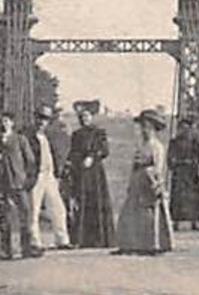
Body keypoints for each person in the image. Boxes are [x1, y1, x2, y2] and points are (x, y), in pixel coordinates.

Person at [115, 108, 173, 255]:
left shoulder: (157, 146)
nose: (144, 130)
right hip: (137, 182)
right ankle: (130, 245)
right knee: (130, 213)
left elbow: (158, 167)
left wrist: (155, 183)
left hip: (148, 182)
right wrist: (131, 181)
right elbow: (134, 166)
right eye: (142, 127)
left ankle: (152, 245)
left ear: (153, 128)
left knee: (149, 216)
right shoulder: (142, 146)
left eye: (147, 127)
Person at [65, 100, 115, 248]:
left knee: (96, 202)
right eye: (81, 116)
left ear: (91, 117)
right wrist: (71, 164)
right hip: (81, 172)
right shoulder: (76, 134)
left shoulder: (99, 132)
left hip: (95, 174)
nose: (84, 119)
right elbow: (73, 152)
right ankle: (82, 239)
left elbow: (105, 150)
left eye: (86, 116)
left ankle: (100, 239)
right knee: (82, 202)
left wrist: (92, 157)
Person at [0, 113, 35, 260]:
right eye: (2, 122)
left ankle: (26, 249)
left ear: (12, 123)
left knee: (25, 215)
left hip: (19, 183)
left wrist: (27, 180)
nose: (4, 124)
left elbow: (30, 161)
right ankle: (6, 251)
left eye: (7, 121)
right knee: (4, 217)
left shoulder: (20, 140)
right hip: (3, 183)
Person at [27, 104, 72, 251]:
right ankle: (35, 242)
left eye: (45, 118)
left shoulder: (48, 136)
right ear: (35, 117)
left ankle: (62, 240)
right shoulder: (28, 136)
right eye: (40, 117)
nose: (42, 121)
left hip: (49, 175)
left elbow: (54, 155)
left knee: (58, 208)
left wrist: (57, 172)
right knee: (33, 209)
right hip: (36, 176)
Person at [168, 115, 199, 232]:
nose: (184, 130)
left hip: (191, 174)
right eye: (182, 127)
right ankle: (175, 222)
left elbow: (198, 156)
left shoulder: (194, 142)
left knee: (193, 199)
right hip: (179, 174)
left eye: (187, 127)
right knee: (177, 198)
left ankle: (195, 221)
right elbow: (170, 159)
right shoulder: (173, 142)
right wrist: (175, 163)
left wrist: (191, 162)